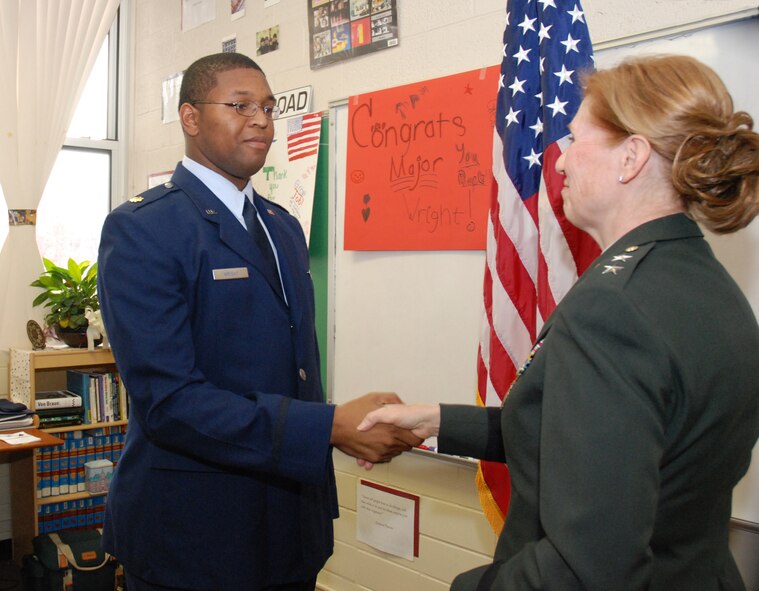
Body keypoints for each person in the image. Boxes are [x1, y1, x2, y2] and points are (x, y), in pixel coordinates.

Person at [358, 55, 759, 590]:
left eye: (573, 140)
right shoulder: (706, 284)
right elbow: (602, 445)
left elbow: (584, 565)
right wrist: (437, 420)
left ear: (631, 158)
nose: (560, 163)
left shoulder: (614, 310)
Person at [98, 52, 421, 591]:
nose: (262, 120)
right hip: (196, 536)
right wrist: (329, 428)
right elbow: (170, 403)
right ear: (190, 118)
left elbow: (292, 370)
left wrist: (338, 431)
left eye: (269, 108)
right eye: (241, 105)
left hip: (291, 522)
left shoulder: (282, 226)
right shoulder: (145, 229)